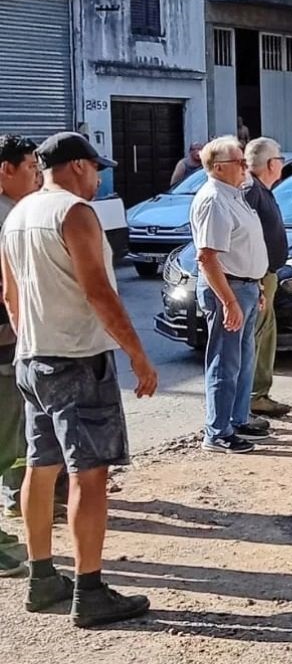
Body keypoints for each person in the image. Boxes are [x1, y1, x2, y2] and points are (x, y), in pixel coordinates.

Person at [1, 132, 158, 626]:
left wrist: (34, 342)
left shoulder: (18, 213)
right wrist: (138, 355)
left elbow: (10, 295)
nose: (98, 178)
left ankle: (43, 579)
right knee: (89, 477)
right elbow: (99, 292)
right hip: (78, 358)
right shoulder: (73, 213)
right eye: (95, 169)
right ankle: (89, 590)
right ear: (74, 167)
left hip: (33, 359)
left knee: (40, 468)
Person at [191, 137, 270, 454]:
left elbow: (244, 246)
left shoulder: (233, 194)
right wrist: (229, 301)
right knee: (225, 362)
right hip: (229, 288)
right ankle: (218, 431)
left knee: (244, 360)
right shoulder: (213, 199)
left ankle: (237, 419)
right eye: (239, 162)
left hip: (245, 286)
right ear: (219, 167)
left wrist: (257, 285)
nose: (245, 167)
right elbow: (207, 258)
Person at [0, 134, 40, 577]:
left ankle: (16, 498)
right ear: (5, 169)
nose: (36, 174)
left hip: (14, 341)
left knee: (13, 437)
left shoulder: (17, 211)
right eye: (29, 166)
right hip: (6, 338)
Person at [243, 138, 291, 418]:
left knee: (264, 334)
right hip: (259, 277)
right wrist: (259, 281)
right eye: (280, 158)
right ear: (272, 164)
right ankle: (253, 397)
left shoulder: (260, 189)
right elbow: (247, 240)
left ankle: (259, 393)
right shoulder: (252, 191)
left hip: (265, 275)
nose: (282, 163)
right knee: (257, 336)